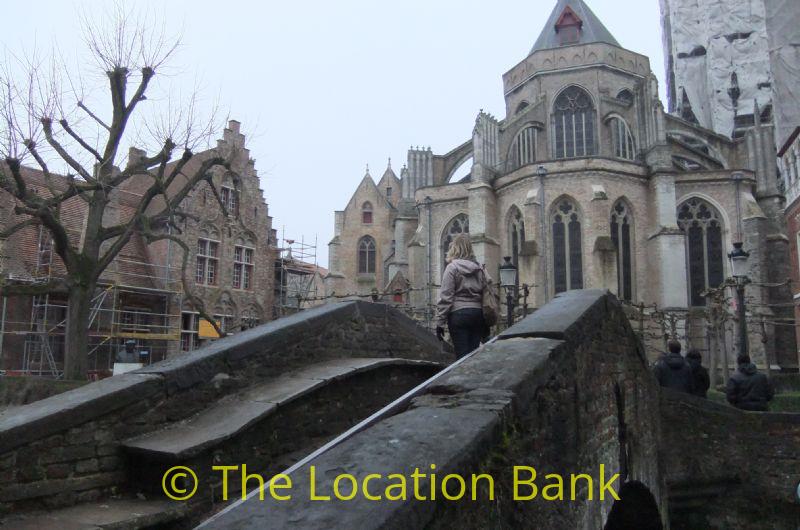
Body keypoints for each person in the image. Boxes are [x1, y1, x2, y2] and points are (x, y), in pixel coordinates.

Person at [435, 233, 488, 358]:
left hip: (458, 315)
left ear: (454, 248)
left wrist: (440, 322)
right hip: (477, 314)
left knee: (462, 357)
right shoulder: (479, 269)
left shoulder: (452, 268)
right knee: (473, 355)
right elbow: (486, 293)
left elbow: (446, 297)